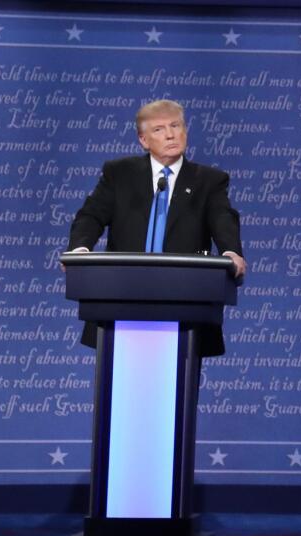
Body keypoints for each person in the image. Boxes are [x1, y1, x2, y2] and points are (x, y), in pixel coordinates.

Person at [67, 99, 246, 356]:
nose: (170, 134)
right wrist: (80, 248)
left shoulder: (208, 181)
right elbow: (91, 216)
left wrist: (231, 252)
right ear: (143, 140)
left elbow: (223, 218)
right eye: (159, 129)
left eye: (176, 125)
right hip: (121, 295)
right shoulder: (119, 174)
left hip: (186, 301)